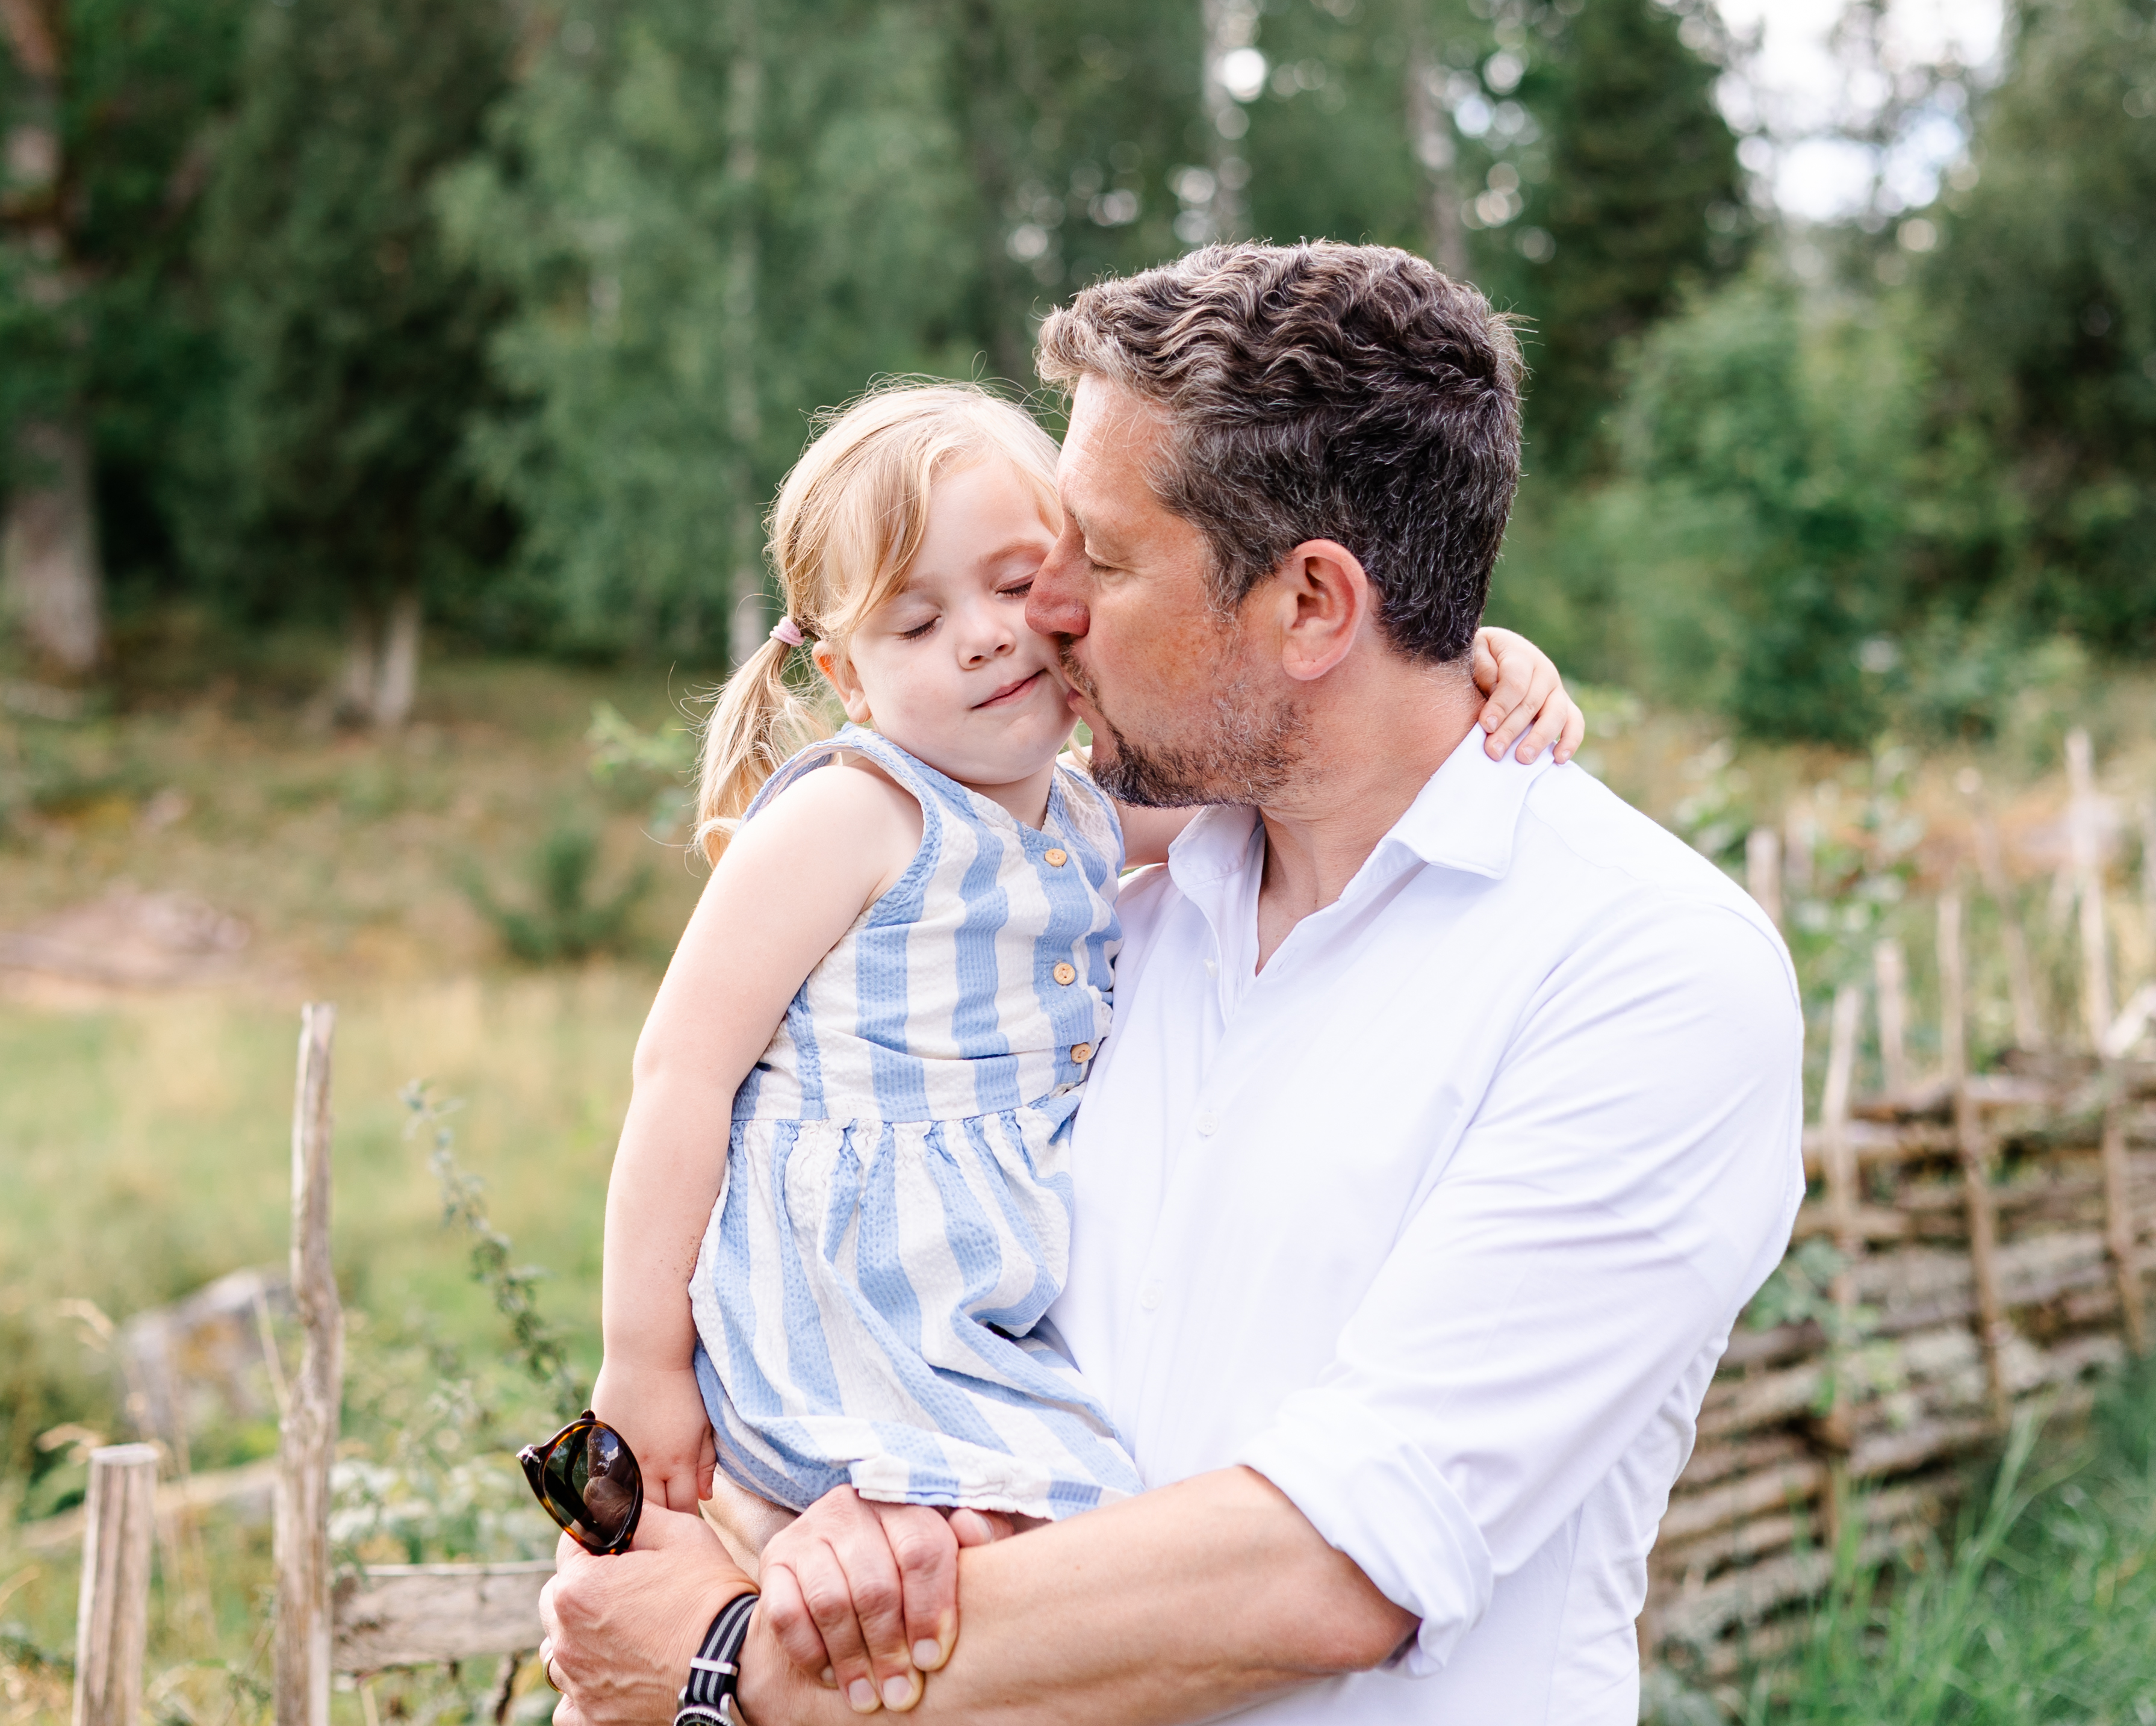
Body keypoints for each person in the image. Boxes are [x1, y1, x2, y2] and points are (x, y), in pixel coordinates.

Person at [541, 244, 1804, 1725]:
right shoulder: (1098, 911)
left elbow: (1331, 1565)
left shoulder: (1644, 974)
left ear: (1315, 608)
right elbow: (836, 1268)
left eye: (1099, 562)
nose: (1044, 615)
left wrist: (736, 1664)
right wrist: (799, 1519)